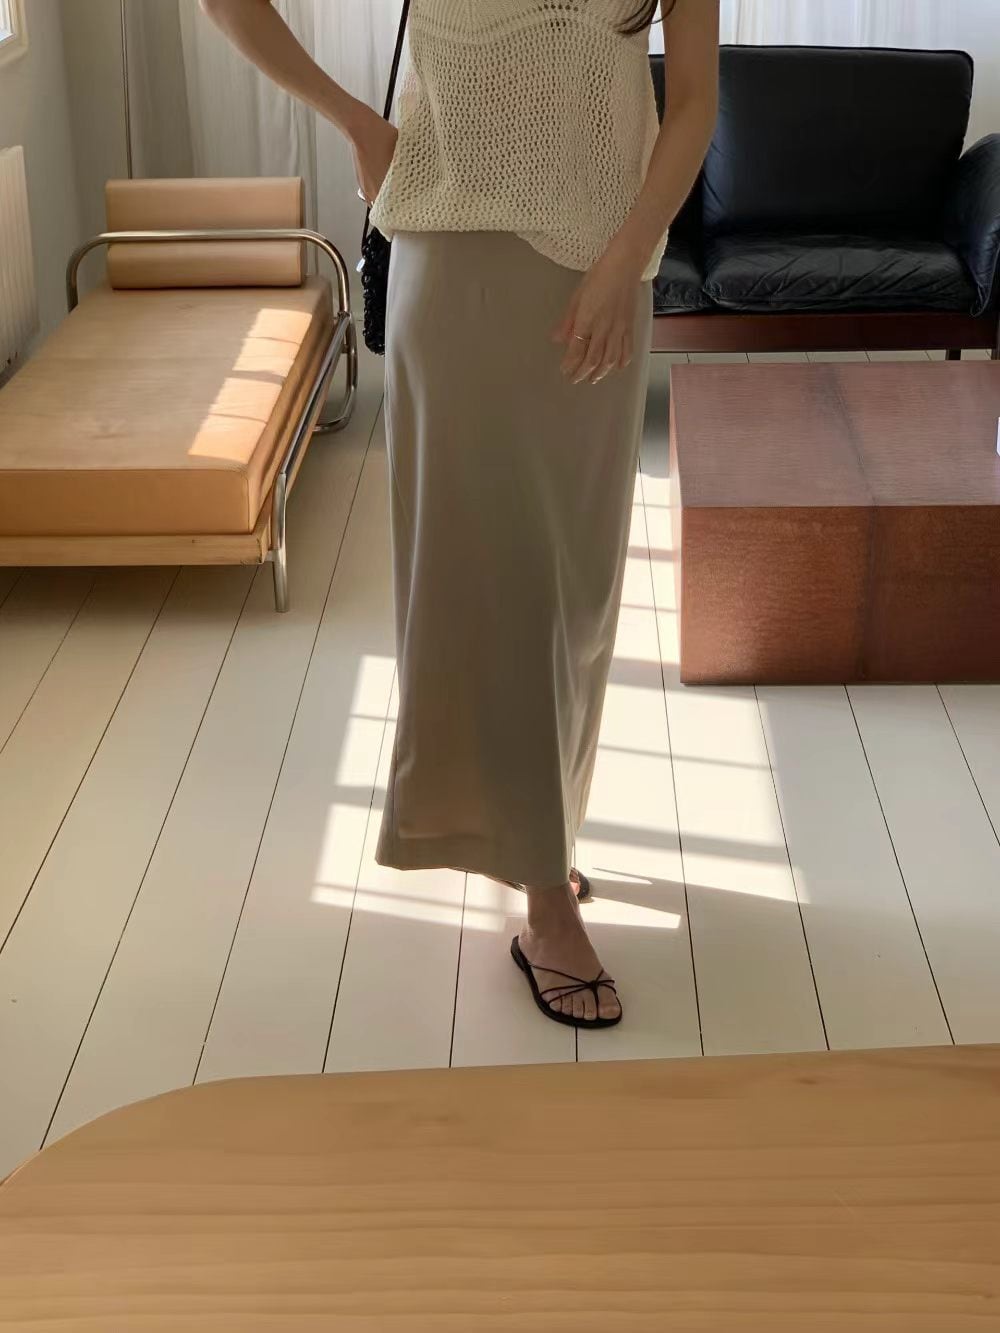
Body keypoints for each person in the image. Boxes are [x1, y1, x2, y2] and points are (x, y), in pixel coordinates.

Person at [203, 0, 719, 1030]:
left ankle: (537, 831)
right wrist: (358, 123)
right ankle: (544, 898)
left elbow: (696, 100)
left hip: (605, 276)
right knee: (493, 575)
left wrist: (625, 257)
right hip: (456, 267)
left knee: (577, 586)